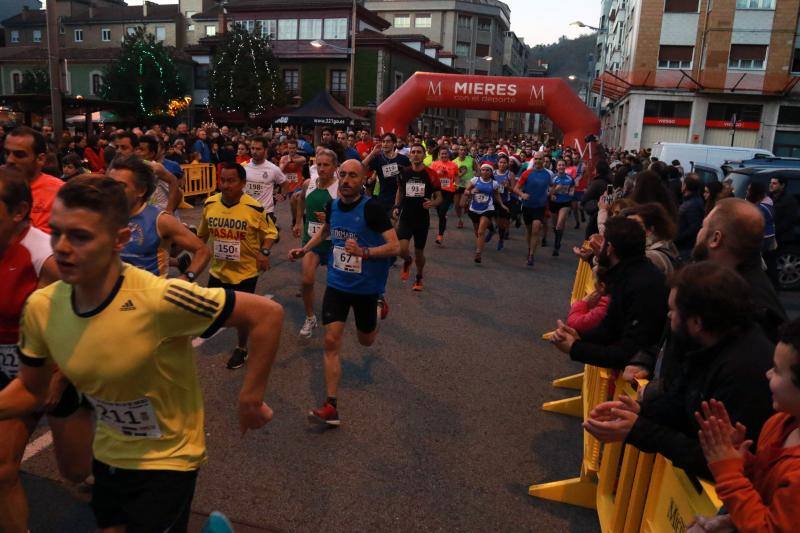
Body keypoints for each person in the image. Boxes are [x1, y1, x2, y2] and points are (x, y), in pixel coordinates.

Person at [2, 174, 283, 532]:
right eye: (56, 233)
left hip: (169, 458)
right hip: (109, 452)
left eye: (81, 236)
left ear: (119, 240)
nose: (63, 248)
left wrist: (251, 398)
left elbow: (266, 314)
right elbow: (31, 389)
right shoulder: (42, 306)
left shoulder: (158, 299)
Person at [584, 262, 775, 480]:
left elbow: (715, 459)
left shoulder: (742, 372)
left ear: (696, 323)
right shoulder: (712, 344)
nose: (668, 317)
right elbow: (683, 404)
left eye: (673, 310)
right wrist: (640, 411)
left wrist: (638, 428)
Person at [0, 168, 93, 533]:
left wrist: (60, 376)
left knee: (76, 470)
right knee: (4, 470)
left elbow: (89, 322)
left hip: (46, 372)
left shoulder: (46, 258)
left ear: (19, 211)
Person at [288, 159, 400, 427]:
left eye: (353, 176)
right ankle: (331, 406)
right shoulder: (333, 205)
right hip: (338, 284)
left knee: (366, 341)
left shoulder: (372, 209)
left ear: (364, 180)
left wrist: (365, 252)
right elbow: (326, 232)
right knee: (331, 341)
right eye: (344, 175)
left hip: (366, 288)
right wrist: (305, 249)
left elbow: (395, 247)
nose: (347, 180)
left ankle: (377, 306)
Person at [692, 320, 800, 533]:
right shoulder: (778, 423)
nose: (768, 373)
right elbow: (769, 495)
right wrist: (742, 463)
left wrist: (728, 472)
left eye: (777, 371)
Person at [550, 217, 668, 369]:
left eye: (603, 242)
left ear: (610, 248)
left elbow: (626, 352)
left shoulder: (638, 284)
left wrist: (575, 348)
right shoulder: (629, 274)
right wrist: (578, 336)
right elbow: (609, 328)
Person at [198, 162, 279, 369]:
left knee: (242, 318)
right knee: (210, 318)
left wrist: (264, 251)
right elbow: (202, 235)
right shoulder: (210, 204)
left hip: (245, 273)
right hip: (218, 270)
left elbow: (271, 233)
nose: (225, 185)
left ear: (243, 183)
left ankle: (242, 349)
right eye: (222, 180)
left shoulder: (254, 207)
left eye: (231, 181)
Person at [109, 155, 210, 279]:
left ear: (141, 190)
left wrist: (185, 278)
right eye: (110, 184)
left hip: (149, 296)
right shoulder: (104, 216)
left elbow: (202, 250)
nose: (113, 190)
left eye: (121, 185)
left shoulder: (161, 220)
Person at [293, 149, 339, 338]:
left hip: (333, 243)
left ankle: (335, 316)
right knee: (306, 280)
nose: (321, 168)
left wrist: (330, 218)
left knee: (336, 285)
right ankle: (310, 317)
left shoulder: (340, 189)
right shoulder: (308, 184)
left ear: (335, 167)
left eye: (326, 165)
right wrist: (297, 221)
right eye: (318, 164)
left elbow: (349, 215)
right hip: (311, 241)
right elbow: (301, 200)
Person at [394, 143, 442, 291]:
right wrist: (396, 207)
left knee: (419, 252)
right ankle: (407, 261)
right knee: (401, 250)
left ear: (424, 155)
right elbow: (400, 191)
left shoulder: (431, 174)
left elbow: (440, 197)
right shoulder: (404, 172)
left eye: (419, 152)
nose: (415, 154)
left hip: (422, 219)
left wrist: (433, 203)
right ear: (410, 155)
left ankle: (419, 276)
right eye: (413, 152)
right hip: (406, 216)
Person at [3, 126, 63, 234]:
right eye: (7, 153)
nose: (9, 160)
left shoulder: (60, 192)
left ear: (40, 159)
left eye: (19, 155)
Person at [462, 163, 509, 264]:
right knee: (477, 232)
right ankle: (481, 242)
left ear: (491, 172)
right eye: (483, 170)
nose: (485, 172)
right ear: (481, 171)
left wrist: (501, 204)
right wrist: (471, 192)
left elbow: (496, 194)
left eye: (488, 170)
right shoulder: (475, 180)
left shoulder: (494, 183)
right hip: (474, 209)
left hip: (487, 208)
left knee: (481, 231)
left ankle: (478, 253)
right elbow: (466, 191)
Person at [621, 202, 680, 276]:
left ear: (650, 229)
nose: (627, 229)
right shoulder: (667, 246)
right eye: (626, 225)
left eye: (635, 224)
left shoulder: (651, 257)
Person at [514, 153, 551, 266]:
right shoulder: (527, 173)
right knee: (529, 230)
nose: (538, 161)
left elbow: (552, 186)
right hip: (527, 205)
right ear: (533, 160)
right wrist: (522, 194)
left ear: (544, 160)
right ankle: (530, 247)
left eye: (540, 159)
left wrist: (551, 194)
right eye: (536, 159)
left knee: (536, 228)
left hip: (540, 207)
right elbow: (516, 188)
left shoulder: (548, 174)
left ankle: (531, 255)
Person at [364, 133, 410, 218]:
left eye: (388, 141)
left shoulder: (404, 159)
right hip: (383, 199)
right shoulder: (378, 159)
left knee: (395, 228)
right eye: (383, 141)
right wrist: (373, 153)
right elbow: (361, 167)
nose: (385, 144)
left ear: (394, 143)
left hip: (399, 201)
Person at [133, 134, 182, 214]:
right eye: (136, 149)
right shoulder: (134, 168)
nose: (137, 152)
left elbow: (179, 193)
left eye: (141, 150)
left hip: (160, 217)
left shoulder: (156, 168)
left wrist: (169, 211)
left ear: (151, 154)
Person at [243, 136, 287, 224]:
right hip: (246, 210)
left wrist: (283, 195)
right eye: (252, 148)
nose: (254, 151)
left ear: (265, 150)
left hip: (265, 212)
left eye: (258, 149)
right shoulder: (243, 166)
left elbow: (284, 183)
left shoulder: (273, 168)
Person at [429, 145, 459, 245]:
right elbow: (429, 176)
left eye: (446, 153)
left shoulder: (453, 165)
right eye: (442, 154)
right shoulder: (434, 164)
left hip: (449, 191)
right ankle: (443, 220)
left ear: (448, 154)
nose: (444, 155)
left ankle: (440, 236)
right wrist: (437, 172)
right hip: (437, 191)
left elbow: (456, 176)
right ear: (439, 155)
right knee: (440, 213)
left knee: (442, 212)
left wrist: (456, 184)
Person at [566, 267, 610, 335]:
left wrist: (583, 303)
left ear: (602, 286)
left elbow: (574, 324)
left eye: (594, 281)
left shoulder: (607, 304)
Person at [548, 159, 575, 257]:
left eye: (563, 165)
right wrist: (555, 190)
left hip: (565, 203)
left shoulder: (570, 178)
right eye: (559, 165)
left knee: (559, 224)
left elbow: (572, 190)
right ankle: (558, 237)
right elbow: (549, 193)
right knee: (555, 226)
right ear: (556, 167)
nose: (561, 167)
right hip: (554, 203)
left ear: (565, 167)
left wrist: (569, 192)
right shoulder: (553, 178)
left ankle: (556, 246)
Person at [279, 138, 308, 228]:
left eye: (293, 148)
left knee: (295, 201)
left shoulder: (300, 157)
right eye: (290, 148)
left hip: (298, 185)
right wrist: (286, 162)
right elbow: (280, 170)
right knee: (293, 206)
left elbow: (303, 160)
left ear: (296, 148)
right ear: (287, 148)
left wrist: (290, 160)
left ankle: (299, 219)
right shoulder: (283, 158)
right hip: (288, 186)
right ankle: (295, 218)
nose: (292, 150)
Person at [675, 173, 705, 260]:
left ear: (685, 186)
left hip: (684, 248)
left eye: (683, 183)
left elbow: (693, 228)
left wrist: (677, 238)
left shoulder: (693, 204)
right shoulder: (691, 201)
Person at [492, 154, 516, 251]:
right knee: (493, 219)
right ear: (497, 163)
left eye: (504, 163)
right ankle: (492, 230)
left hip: (505, 201)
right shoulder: (493, 173)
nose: (502, 164)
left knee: (502, 224)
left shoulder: (510, 174)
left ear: (507, 164)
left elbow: (513, 190)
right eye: (500, 162)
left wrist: (507, 187)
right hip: (494, 200)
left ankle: (501, 240)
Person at [769, 176, 798, 251]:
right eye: (770, 183)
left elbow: (789, 220)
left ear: (782, 185)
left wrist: (774, 231)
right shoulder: (768, 197)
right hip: (768, 236)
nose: (771, 185)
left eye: (774, 183)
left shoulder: (789, 200)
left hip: (782, 238)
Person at [454, 145, 477, 229]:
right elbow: (453, 175)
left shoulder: (471, 160)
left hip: (468, 185)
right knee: (456, 205)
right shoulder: (454, 162)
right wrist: (459, 175)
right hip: (458, 185)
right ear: (458, 151)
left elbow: (477, 170)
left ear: (466, 152)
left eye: (464, 150)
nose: (462, 151)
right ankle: (460, 220)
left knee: (461, 204)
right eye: (461, 150)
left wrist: (475, 180)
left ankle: (467, 204)